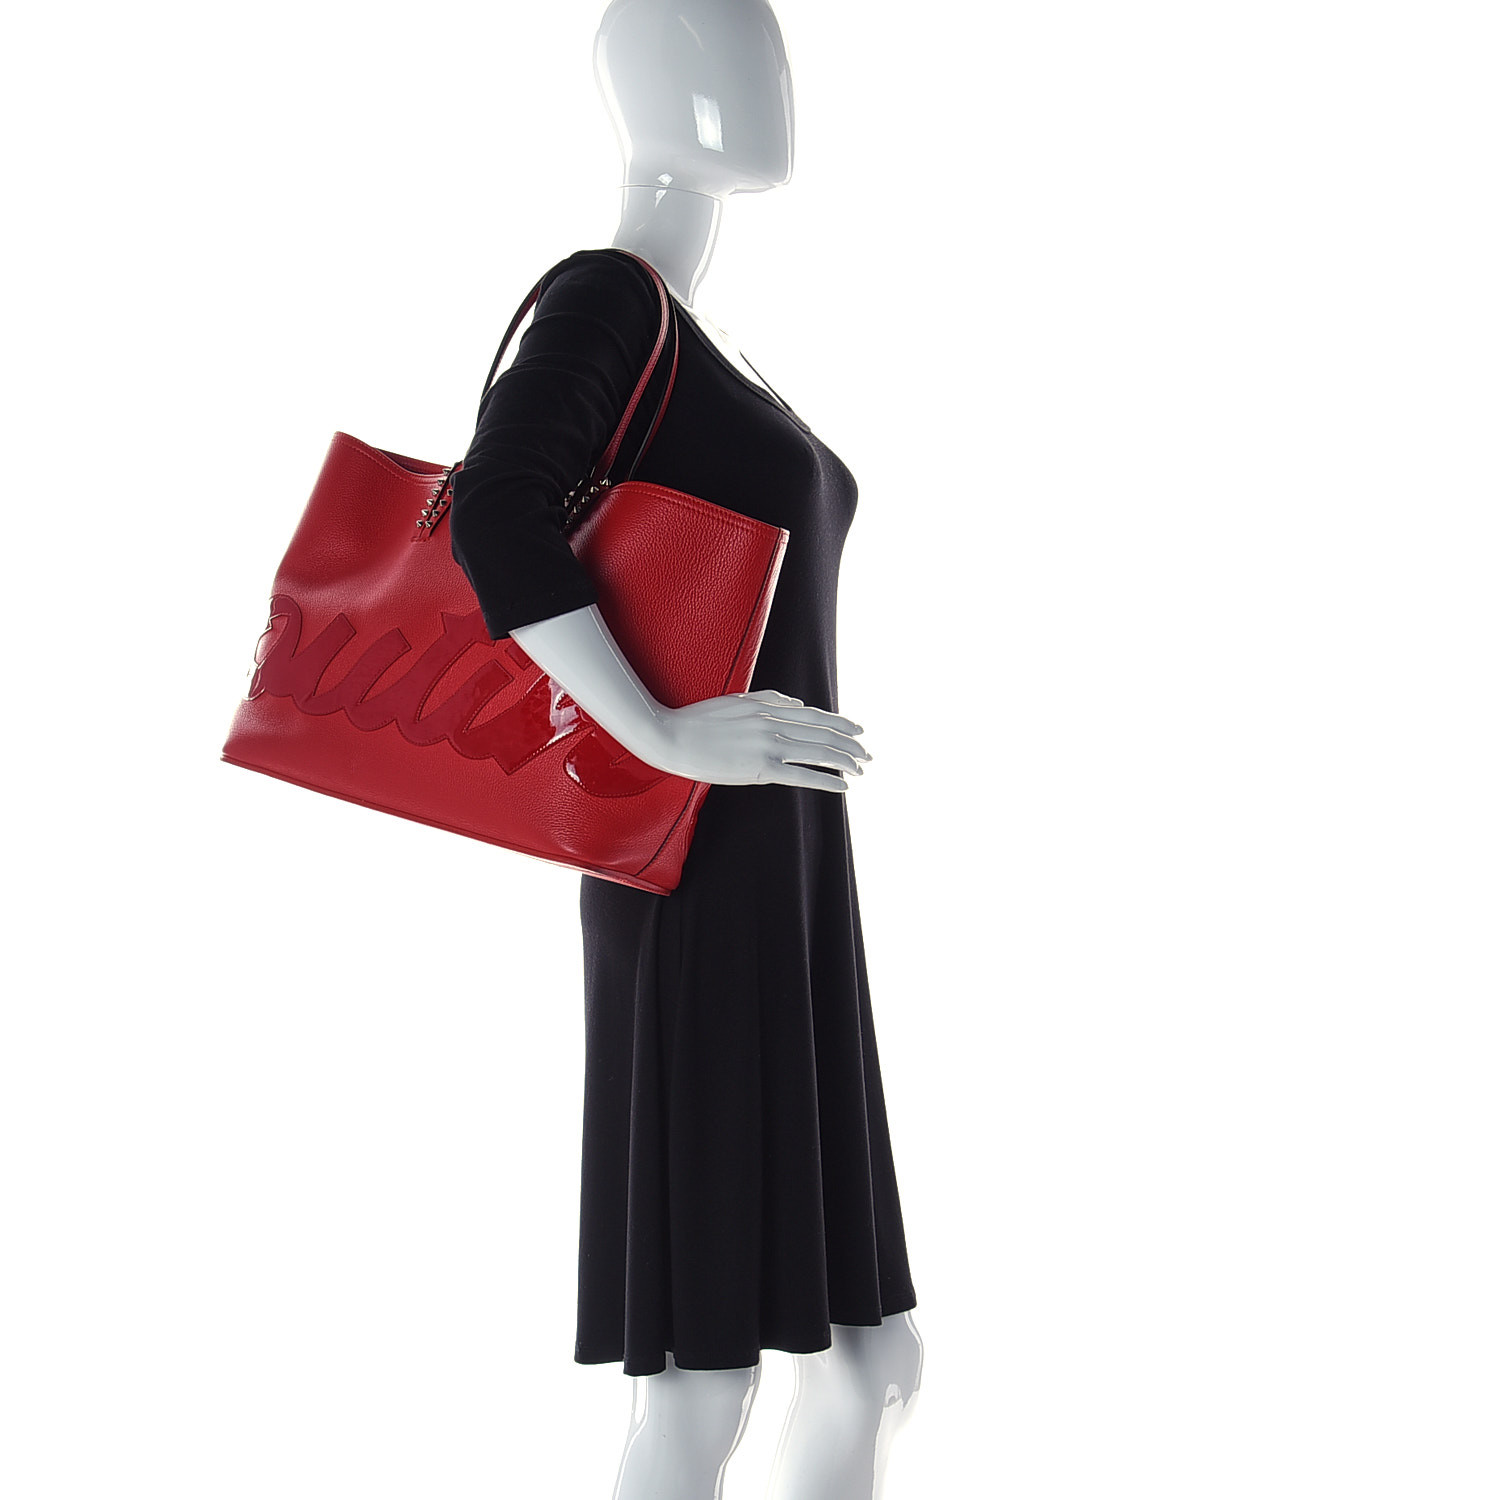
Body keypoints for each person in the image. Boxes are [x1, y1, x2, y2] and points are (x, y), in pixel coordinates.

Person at [447, 4, 923, 1496]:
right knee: (707, 1379)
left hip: (794, 883)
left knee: (875, 1361)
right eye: (719, 38)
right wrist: (659, 730)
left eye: (768, 43)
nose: (761, 72)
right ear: (633, 76)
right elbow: (494, 512)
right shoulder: (608, 298)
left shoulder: (691, 336)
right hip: (696, 878)